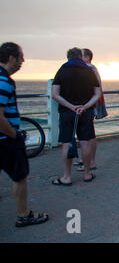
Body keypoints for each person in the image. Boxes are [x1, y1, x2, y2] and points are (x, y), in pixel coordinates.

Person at [0, 42, 49, 227]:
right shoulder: (3, 81)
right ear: (11, 57)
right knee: (19, 177)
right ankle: (23, 214)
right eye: (21, 57)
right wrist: (14, 134)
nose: (23, 61)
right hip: (6, 140)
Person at [51, 47, 101, 185]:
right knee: (85, 142)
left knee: (67, 143)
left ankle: (66, 177)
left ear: (68, 57)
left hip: (67, 112)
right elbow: (98, 93)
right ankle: (87, 173)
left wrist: (71, 106)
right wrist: (84, 106)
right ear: (80, 56)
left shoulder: (62, 70)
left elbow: (55, 94)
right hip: (85, 112)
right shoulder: (89, 71)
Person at [75, 48, 106, 171]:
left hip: (90, 103)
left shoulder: (90, 68)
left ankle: (90, 161)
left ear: (87, 57)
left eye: (81, 56)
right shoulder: (91, 68)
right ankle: (86, 159)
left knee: (89, 134)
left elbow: (93, 87)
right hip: (91, 103)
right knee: (88, 133)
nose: (79, 58)